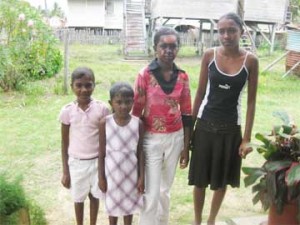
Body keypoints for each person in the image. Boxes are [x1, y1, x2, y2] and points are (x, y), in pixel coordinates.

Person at [188, 12, 259, 225]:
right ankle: (198, 220)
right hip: (205, 126)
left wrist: (245, 138)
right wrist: (191, 130)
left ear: (241, 31)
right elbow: (200, 93)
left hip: (230, 130)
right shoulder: (209, 56)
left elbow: (251, 102)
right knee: (199, 180)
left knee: (221, 181)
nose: (226, 36)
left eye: (231, 30)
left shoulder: (251, 61)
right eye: (221, 31)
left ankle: (211, 220)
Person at [132, 26, 193, 225]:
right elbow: (136, 112)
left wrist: (186, 146)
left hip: (176, 138)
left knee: (165, 190)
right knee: (151, 190)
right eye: (163, 46)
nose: (168, 50)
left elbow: (186, 113)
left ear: (178, 49)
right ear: (155, 48)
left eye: (173, 46)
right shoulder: (145, 75)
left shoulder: (183, 77)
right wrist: (135, 144)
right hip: (151, 139)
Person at [59, 67, 110, 225]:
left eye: (88, 85)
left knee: (95, 196)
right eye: (79, 85)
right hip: (76, 163)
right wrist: (66, 171)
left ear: (94, 85)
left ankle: (92, 223)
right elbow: (64, 142)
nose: (83, 90)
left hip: (96, 162)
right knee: (78, 197)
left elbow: (107, 139)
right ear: (72, 86)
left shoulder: (102, 109)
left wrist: (104, 169)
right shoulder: (67, 111)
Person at [98, 82, 145, 225]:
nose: (123, 106)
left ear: (133, 102)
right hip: (111, 174)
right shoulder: (105, 123)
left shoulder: (138, 124)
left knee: (128, 207)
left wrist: (141, 177)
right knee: (112, 207)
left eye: (128, 102)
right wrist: (101, 177)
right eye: (118, 102)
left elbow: (140, 152)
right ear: (110, 103)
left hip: (130, 173)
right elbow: (101, 153)